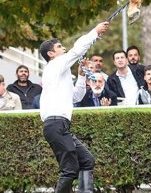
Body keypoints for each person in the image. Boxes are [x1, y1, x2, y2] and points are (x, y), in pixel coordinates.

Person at [39, 21, 109, 193]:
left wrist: (81, 76)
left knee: (86, 160)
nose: (64, 49)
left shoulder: (60, 73)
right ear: (51, 54)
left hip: (60, 126)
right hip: (56, 125)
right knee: (69, 170)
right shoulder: (55, 65)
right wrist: (95, 32)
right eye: (60, 47)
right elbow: (77, 50)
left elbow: (76, 96)